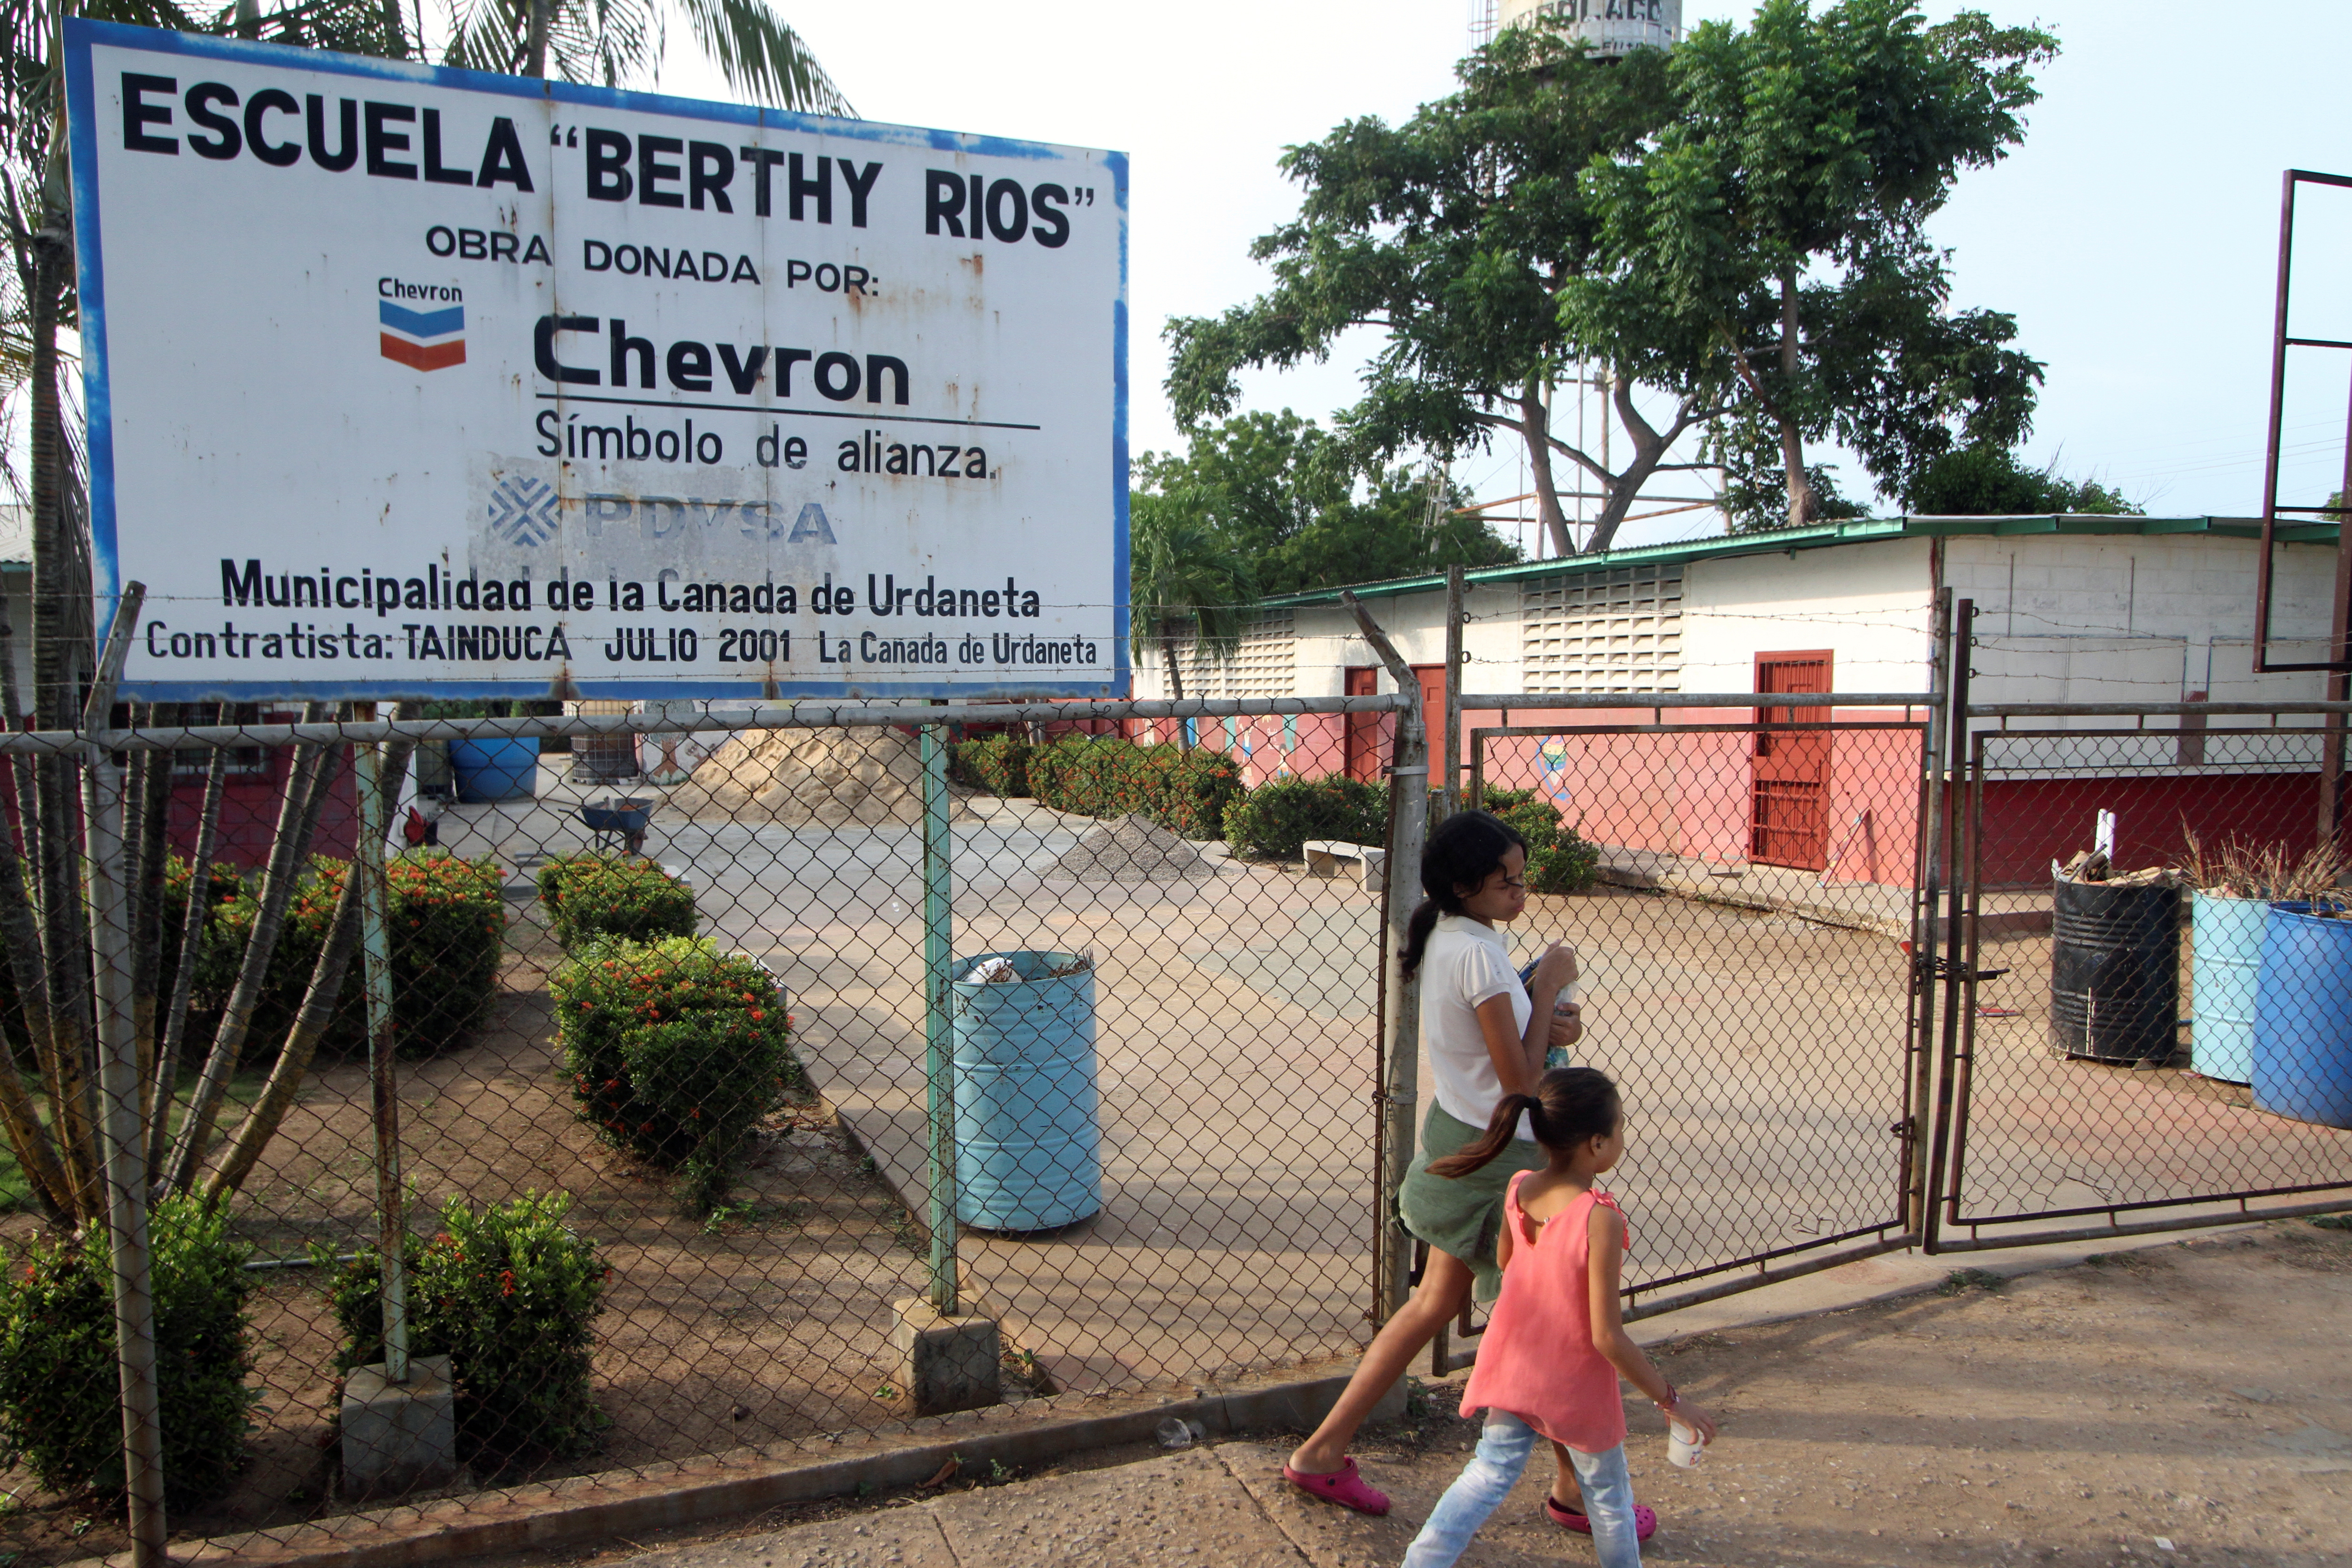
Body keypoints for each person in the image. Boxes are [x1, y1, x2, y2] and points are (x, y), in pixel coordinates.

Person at [1283, 810, 1583, 1517]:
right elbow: (1517, 1084)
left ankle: (1321, 1452)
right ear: (1463, 883)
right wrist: (1546, 990)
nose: (1520, 890)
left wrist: (1545, 1018)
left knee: (1434, 1304)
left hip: (1459, 1137)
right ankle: (1577, 1493)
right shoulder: (1479, 953)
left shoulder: (1454, 935)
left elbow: (1503, 1047)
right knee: (1546, 1320)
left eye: (1520, 875)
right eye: (1506, 880)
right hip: (1497, 1153)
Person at [1403, 1068, 1717, 1567]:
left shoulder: (1519, 1187)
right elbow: (1607, 1336)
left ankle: (1421, 1562)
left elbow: (1507, 1262)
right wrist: (1671, 1401)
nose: (1621, 1139)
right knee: (1610, 1500)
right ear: (1595, 1144)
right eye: (1619, 1129)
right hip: (1572, 1384)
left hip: (1513, 1366)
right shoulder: (1600, 1218)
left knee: (1487, 1474)